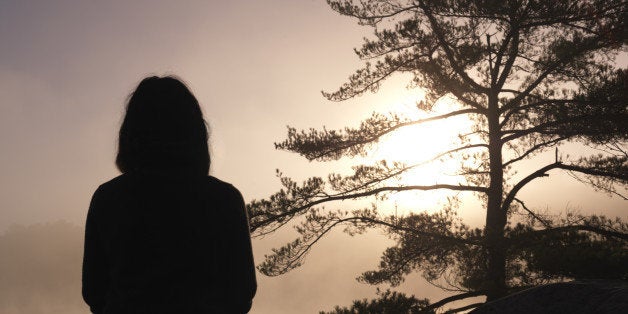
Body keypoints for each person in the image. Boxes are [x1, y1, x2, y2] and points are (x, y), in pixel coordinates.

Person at [82, 76, 256, 314]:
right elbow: (241, 292)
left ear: (131, 134)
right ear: (196, 133)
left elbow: (94, 291)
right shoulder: (225, 199)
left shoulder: (108, 199)